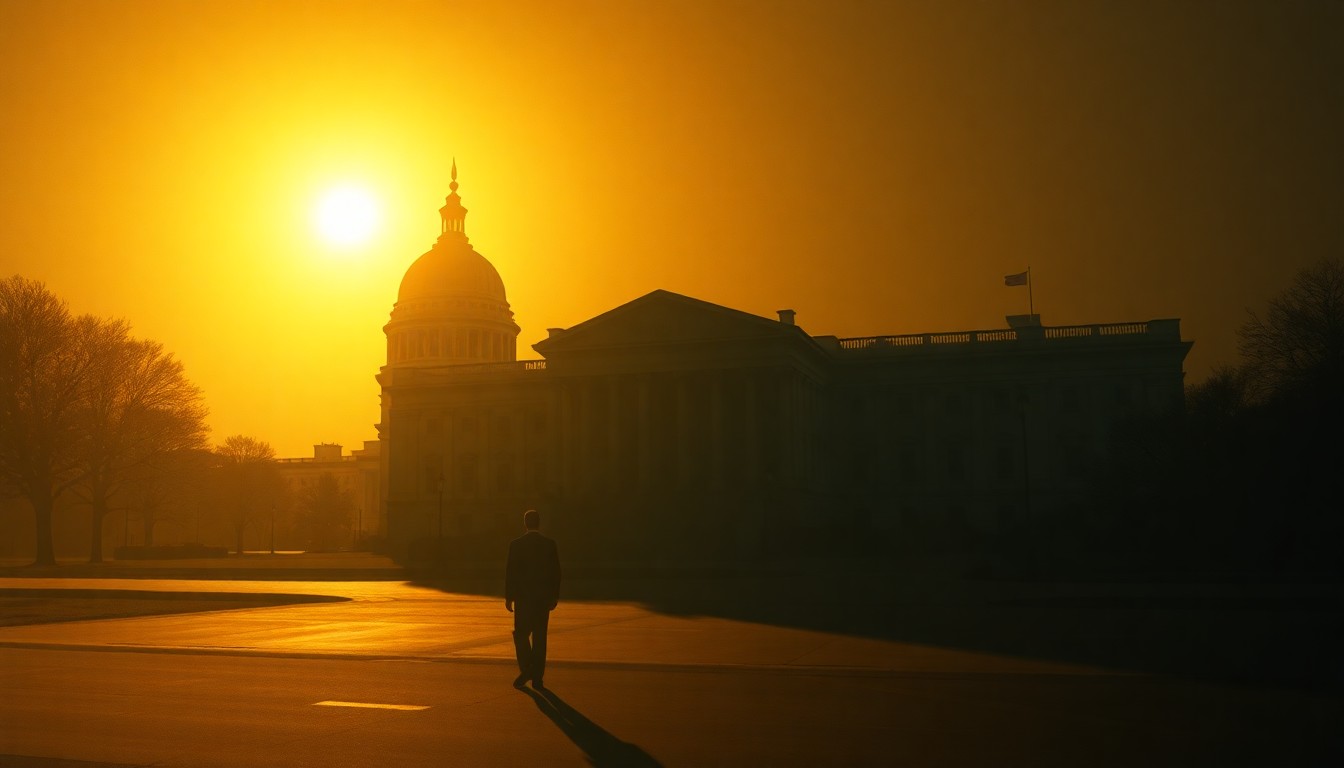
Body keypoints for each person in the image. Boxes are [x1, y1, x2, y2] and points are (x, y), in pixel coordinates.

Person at [505, 508, 561, 689]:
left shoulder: (516, 544)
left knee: (520, 634)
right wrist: (554, 596)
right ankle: (538, 678)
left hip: (523, 599)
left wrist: (509, 597)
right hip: (543, 599)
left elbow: (510, 573)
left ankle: (527, 667)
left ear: (525, 523)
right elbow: (556, 573)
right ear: (539, 523)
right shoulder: (549, 544)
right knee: (540, 638)